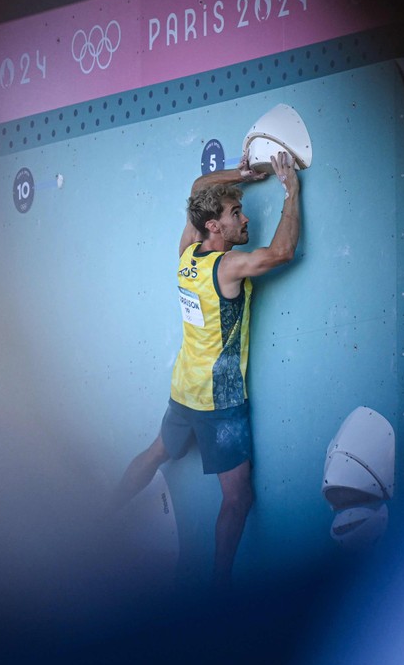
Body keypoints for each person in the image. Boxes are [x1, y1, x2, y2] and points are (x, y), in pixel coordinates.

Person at [109, 144, 302, 587]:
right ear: (214, 225)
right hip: (221, 403)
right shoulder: (229, 266)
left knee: (157, 452)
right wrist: (290, 192)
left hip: (184, 390)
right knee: (238, 498)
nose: (246, 218)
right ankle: (219, 591)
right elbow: (283, 253)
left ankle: (100, 516)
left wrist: (242, 175)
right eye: (237, 212)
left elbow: (198, 188)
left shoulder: (187, 253)